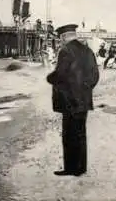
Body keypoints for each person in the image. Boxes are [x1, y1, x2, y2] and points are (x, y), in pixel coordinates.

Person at [46, 24, 100, 177]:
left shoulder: (66, 51)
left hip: (69, 101)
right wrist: (85, 89)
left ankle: (70, 168)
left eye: (60, 38)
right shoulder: (88, 51)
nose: (60, 42)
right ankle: (81, 168)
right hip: (83, 100)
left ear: (64, 37)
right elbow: (95, 76)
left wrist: (50, 78)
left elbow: (60, 75)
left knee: (69, 135)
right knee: (81, 134)